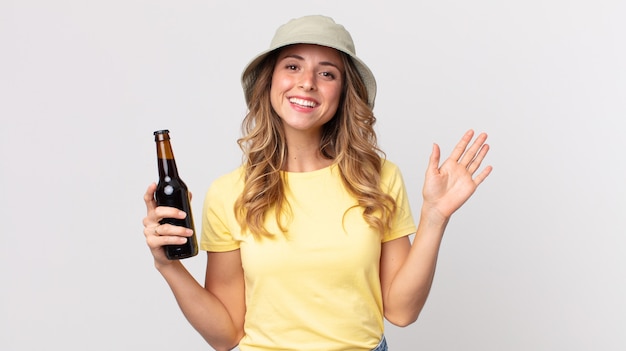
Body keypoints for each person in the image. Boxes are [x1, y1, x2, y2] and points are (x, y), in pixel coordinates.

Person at [142, 14, 492, 351]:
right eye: (292, 66)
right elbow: (226, 334)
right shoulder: (229, 193)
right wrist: (167, 265)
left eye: (327, 73)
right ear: (270, 82)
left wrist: (435, 216)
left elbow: (402, 311)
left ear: (343, 93)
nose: (307, 81)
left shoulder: (378, 179)